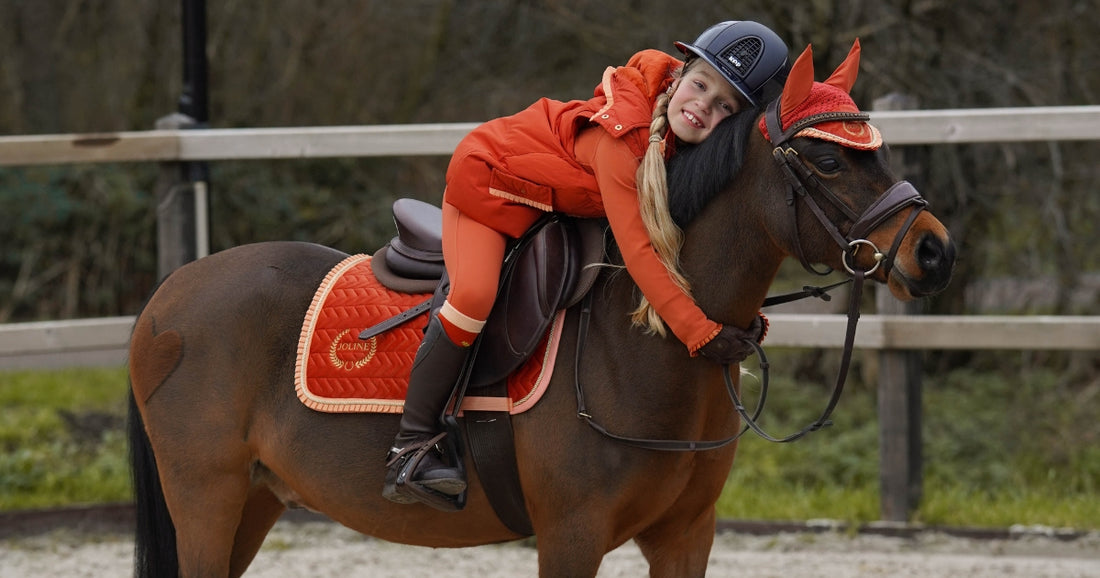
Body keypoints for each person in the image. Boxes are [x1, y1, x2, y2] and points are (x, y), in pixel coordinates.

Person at [383, 20, 791, 505]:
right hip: (487, 185)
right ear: (678, 76)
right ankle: (410, 445)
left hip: (552, 201)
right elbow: (641, 251)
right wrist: (698, 331)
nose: (703, 106)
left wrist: (738, 316)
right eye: (700, 85)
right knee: (472, 296)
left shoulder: (681, 147)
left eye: (726, 105)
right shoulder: (623, 142)